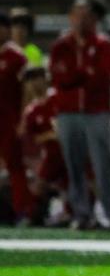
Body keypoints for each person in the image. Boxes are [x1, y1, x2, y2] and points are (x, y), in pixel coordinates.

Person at [49, 0, 110, 230]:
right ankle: (81, 214)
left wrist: (77, 76)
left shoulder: (103, 44)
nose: (81, 21)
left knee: (102, 166)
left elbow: (102, 76)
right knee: (74, 165)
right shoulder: (61, 46)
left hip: (96, 111)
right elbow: (60, 78)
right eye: (77, 15)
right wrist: (83, 74)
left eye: (86, 16)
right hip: (68, 112)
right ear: (70, 17)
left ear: (94, 19)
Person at [20, 67, 71, 225]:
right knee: (39, 185)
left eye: (37, 79)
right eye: (30, 81)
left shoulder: (58, 98)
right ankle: (32, 216)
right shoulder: (32, 110)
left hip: (68, 152)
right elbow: (33, 137)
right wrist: (51, 135)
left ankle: (71, 213)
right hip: (51, 155)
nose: (34, 85)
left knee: (76, 184)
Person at [0, 12, 34, 225]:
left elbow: (27, 90)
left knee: (15, 167)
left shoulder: (17, 56)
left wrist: (24, 118)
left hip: (8, 119)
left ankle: (24, 211)